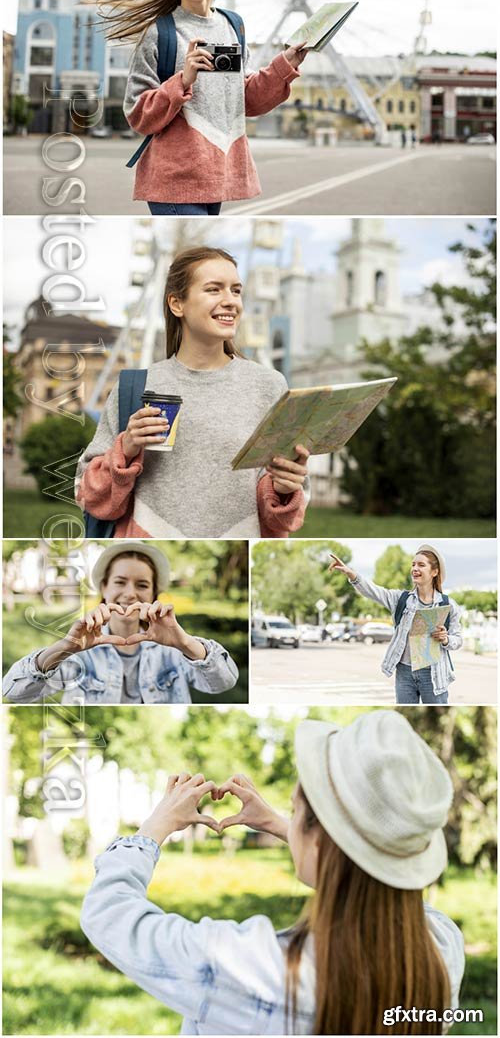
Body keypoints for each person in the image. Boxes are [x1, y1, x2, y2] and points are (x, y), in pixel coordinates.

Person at [80, 707, 465, 1034]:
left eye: (296, 810)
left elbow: (109, 915)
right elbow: (380, 885)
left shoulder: (251, 970)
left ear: (319, 841)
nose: (290, 818)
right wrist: (285, 825)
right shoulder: (441, 952)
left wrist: (155, 827)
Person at [65, 0, 308, 213]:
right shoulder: (159, 32)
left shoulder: (233, 26)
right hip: (173, 183)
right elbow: (137, 115)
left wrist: (285, 64)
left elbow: (246, 99)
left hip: (217, 177)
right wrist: (184, 78)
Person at [76, 246, 310, 539]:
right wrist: (127, 449)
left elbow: (284, 517)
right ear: (177, 304)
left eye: (236, 291)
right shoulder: (136, 386)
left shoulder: (269, 386)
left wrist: (285, 489)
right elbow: (86, 493)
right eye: (214, 290)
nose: (231, 302)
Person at [2, 542, 238, 705]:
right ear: (104, 587)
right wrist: (65, 647)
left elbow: (224, 682)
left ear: (155, 593)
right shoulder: (81, 652)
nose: (130, 593)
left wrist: (185, 643)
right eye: (120, 582)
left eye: (142, 585)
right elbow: (13, 693)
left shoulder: (173, 651)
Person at [329, 543, 463, 704]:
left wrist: (446, 639)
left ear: (434, 572)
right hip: (405, 672)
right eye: (413, 564)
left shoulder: (448, 605)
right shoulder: (401, 599)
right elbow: (374, 591)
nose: (415, 568)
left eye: (421, 565)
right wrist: (351, 574)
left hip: (433, 674)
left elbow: (458, 639)